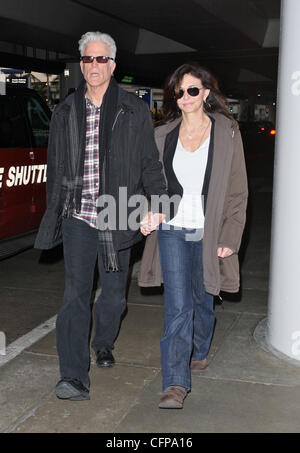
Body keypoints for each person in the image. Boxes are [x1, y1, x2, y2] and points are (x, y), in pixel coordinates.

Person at [35, 31, 167, 401]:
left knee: (113, 296)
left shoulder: (132, 109)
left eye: (101, 59)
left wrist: (158, 202)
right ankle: (73, 376)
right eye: (88, 59)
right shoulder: (65, 110)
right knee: (75, 295)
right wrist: (55, 210)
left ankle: (104, 342)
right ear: (82, 65)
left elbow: (148, 162)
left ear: (112, 65)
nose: (94, 66)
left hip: (117, 211)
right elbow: (54, 165)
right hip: (78, 216)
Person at [139, 62, 248, 409]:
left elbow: (237, 189)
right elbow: (151, 183)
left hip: (209, 228)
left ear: (205, 93)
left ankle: (201, 346)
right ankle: (174, 383)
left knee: (202, 298)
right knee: (178, 305)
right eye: (178, 91)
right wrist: (147, 211)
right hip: (172, 228)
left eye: (192, 90)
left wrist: (230, 234)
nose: (184, 97)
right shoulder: (163, 134)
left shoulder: (227, 131)